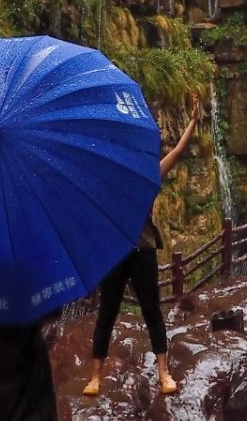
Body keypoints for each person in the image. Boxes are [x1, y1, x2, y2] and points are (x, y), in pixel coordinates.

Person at [82, 98, 200, 399]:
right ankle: (96, 376)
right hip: (115, 250)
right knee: (107, 312)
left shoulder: (149, 175)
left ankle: (164, 372)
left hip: (143, 249)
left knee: (152, 312)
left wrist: (193, 124)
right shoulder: (106, 179)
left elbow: (176, 153)